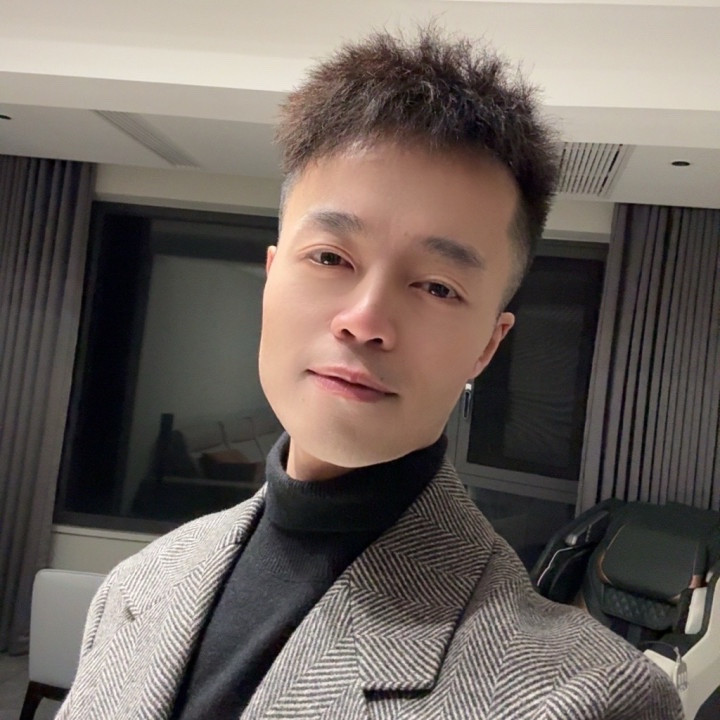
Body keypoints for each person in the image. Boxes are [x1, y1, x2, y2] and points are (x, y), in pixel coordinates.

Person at [57, 29, 683, 720]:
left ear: (487, 346)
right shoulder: (139, 584)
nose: (365, 321)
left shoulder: (581, 695)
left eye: (438, 287)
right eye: (330, 258)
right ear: (271, 279)